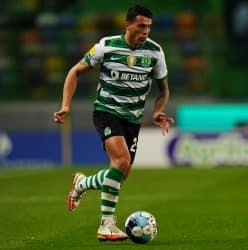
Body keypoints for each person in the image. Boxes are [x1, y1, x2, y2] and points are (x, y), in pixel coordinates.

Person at [53, 4, 174, 242]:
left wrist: (159, 110)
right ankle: (106, 225)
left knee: (120, 172)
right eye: (141, 26)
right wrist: (66, 105)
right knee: (121, 162)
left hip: (133, 118)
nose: (145, 31)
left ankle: (82, 183)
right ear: (127, 25)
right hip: (106, 111)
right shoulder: (106, 46)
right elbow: (74, 72)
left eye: (148, 27)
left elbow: (163, 89)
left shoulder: (155, 52)